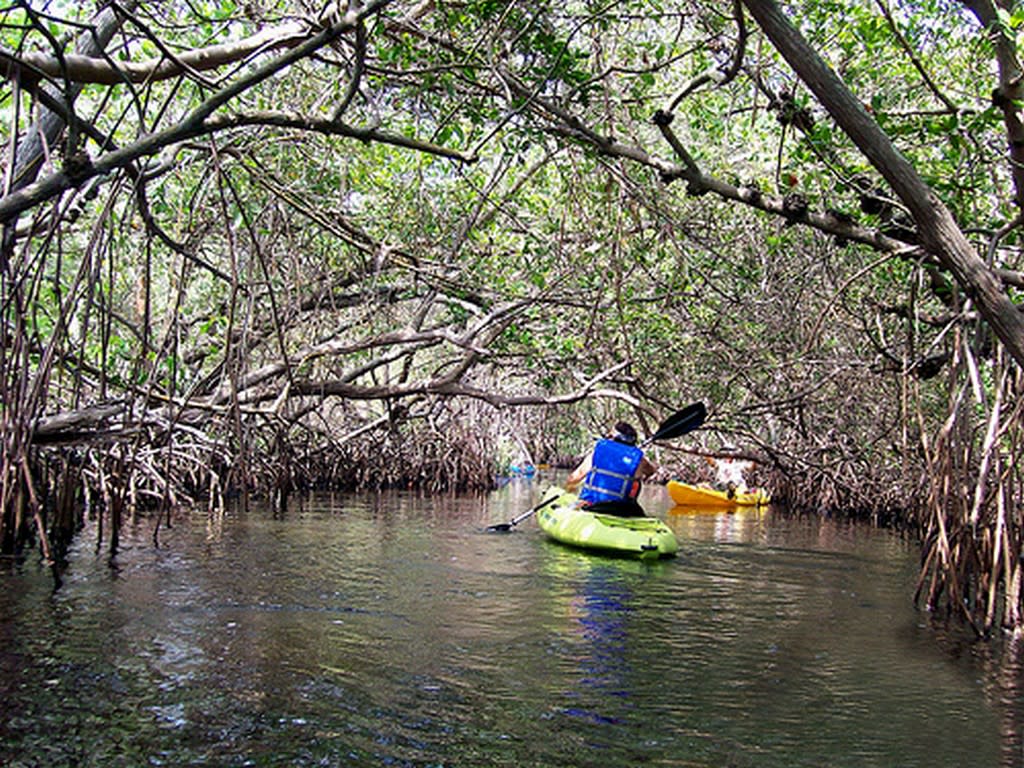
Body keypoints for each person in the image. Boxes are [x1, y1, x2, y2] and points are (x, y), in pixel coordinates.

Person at [566, 421, 656, 515]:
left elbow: (574, 478)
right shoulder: (639, 459)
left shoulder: (598, 452)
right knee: (636, 482)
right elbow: (651, 471)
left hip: (593, 505)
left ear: (613, 437)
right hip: (623, 508)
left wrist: (569, 489)